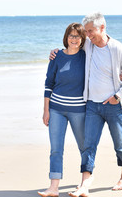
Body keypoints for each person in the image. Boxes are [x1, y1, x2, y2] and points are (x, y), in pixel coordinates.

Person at [50, 13, 122, 196]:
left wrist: (117, 96)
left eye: (90, 31)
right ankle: (84, 184)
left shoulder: (117, 48)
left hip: (113, 106)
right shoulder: (88, 45)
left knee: (119, 143)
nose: (87, 35)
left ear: (102, 28)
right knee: (89, 145)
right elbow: (72, 47)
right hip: (91, 105)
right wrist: (55, 52)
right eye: (86, 32)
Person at [37, 23, 87, 197]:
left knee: (84, 147)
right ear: (66, 37)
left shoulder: (86, 55)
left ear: (83, 39)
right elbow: (48, 84)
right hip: (56, 109)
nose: (74, 39)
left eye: (78, 36)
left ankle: (84, 184)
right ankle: (54, 187)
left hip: (79, 110)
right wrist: (46, 110)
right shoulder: (56, 56)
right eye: (71, 36)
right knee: (56, 148)